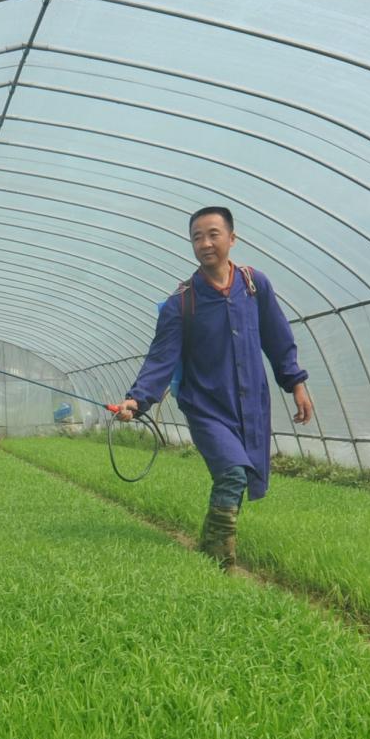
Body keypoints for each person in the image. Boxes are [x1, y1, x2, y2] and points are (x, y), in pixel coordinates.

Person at [110, 205, 314, 567]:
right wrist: (135, 401)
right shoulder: (181, 302)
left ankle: (210, 545)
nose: (205, 243)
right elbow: (161, 358)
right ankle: (221, 560)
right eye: (197, 237)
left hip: (251, 404)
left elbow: (278, 337)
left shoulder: (255, 286)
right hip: (205, 406)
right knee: (233, 472)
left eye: (213, 234)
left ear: (232, 239)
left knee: (238, 475)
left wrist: (295, 383)